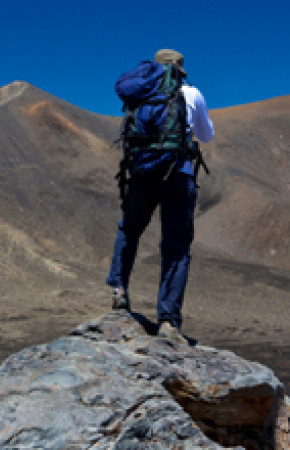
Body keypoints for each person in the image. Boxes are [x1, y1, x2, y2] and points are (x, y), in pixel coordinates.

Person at [106, 49, 214, 341]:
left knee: (129, 229)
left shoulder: (140, 93)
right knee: (176, 247)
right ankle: (168, 321)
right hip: (178, 175)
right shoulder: (191, 94)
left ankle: (119, 289)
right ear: (180, 69)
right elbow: (206, 136)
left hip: (142, 173)